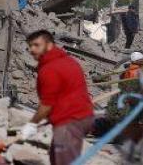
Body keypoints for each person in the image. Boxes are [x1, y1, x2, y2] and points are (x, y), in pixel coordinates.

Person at [20, 30, 94, 165]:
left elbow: (47, 105)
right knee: (56, 158)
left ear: (49, 45)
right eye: (30, 46)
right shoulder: (69, 61)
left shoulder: (50, 69)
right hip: (81, 118)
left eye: (36, 45)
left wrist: (31, 125)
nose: (32, 50)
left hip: (69, 122)